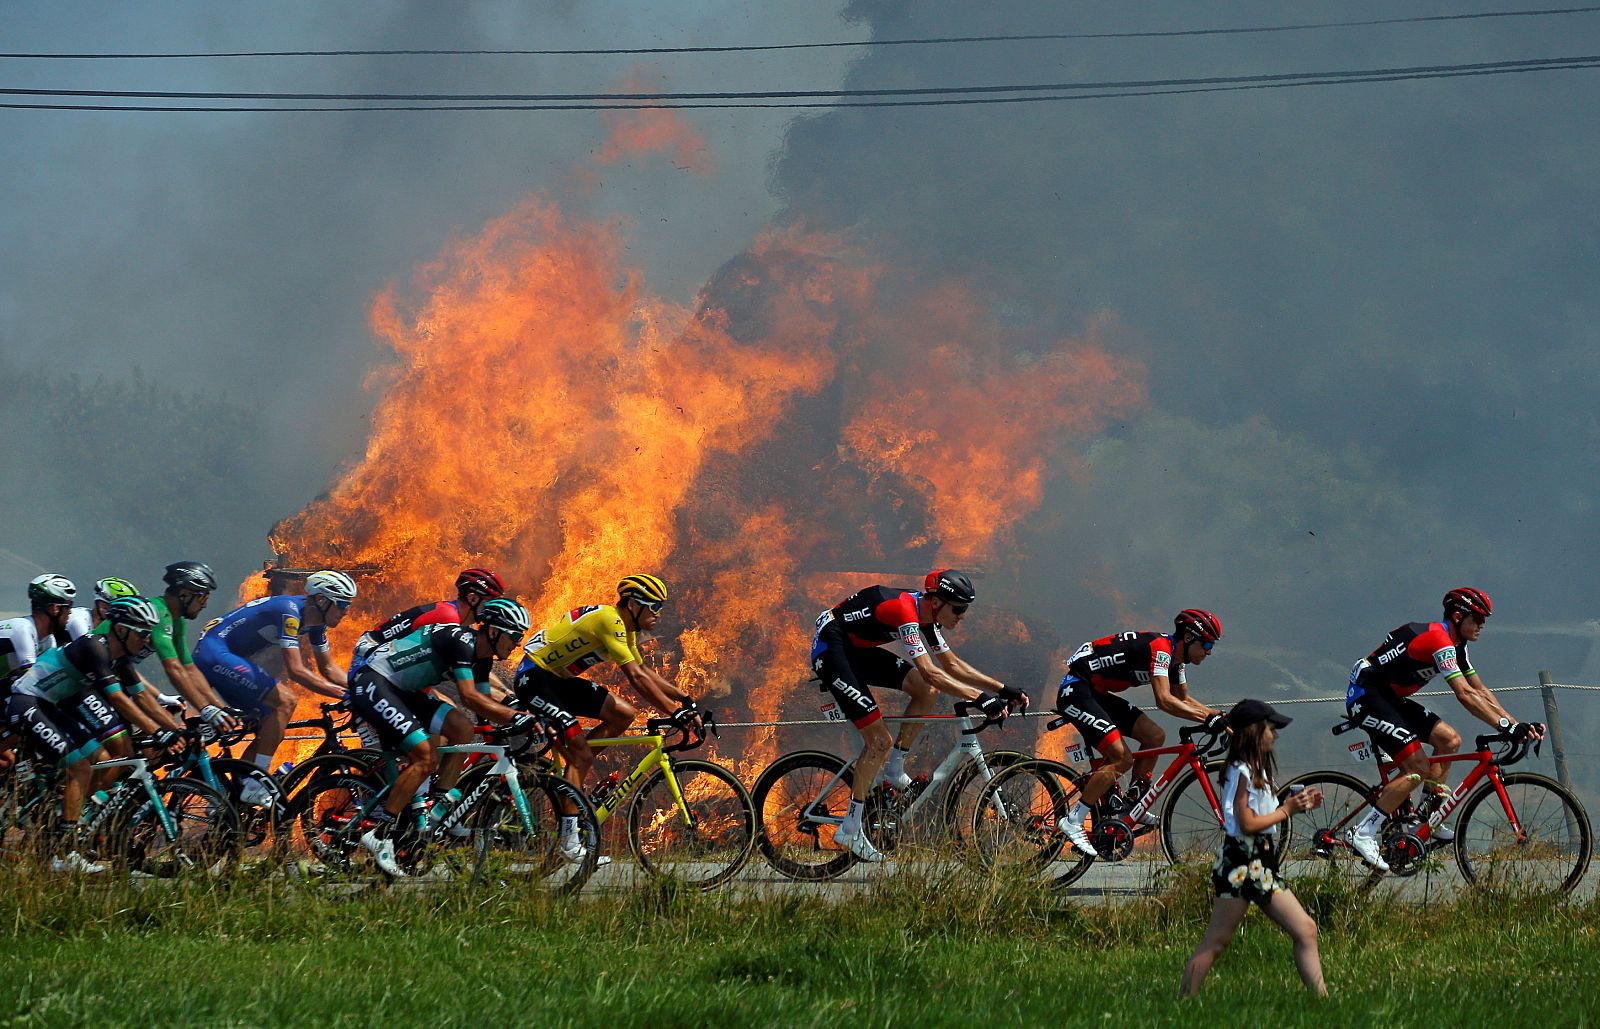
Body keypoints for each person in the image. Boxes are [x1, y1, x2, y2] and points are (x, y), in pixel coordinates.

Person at [807, 569, 1024, 862]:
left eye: (965, 609)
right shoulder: (905, 610)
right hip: (832, 648)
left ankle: (895, 768)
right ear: (936, 602)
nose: (962, 616)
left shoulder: (928, 616)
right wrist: (980, 698)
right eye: (958, 609)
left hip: (855, 649)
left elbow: (952, 665)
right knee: (878, 741)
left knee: (926, 692)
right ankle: (850, 828)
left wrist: (1002, 688)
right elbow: (931, 671)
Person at [1341, 587, 1542, 870]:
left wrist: (1515, 723)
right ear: (1458, 616)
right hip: (1367, 693)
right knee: (1417, 768)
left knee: (1449, 740)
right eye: (1478, 619)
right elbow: (1464, 694)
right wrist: (1506, 726)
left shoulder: (1458, 646)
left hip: (1389, 697)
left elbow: (1479, 689)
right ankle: (1362, 832)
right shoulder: (1439, 639)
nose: (1482, 625)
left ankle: (1424, 820)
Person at [512, 574, 705, 861]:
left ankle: (576, 767)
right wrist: (674, 713)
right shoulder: (610, 621)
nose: (658, 614)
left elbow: (646, 673)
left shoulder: (624, 628)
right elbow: (636, 678)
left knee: (624, 713)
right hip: (534, 677)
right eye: (652, 606)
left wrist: (684, 699)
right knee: (580, 758)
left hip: (558, 681)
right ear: (632, 605)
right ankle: (568, 841)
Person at [348, 598, 532, 877]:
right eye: (515, 636)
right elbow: (470, 698)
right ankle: (378, 832)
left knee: (463, 729)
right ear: (493, 632)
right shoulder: (462, 641)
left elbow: (483, 706)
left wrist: (512, 720)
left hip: (405, 692)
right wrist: (514, 717)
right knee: (425, 757)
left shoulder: (482, 658)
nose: (517, 643)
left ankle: (439, 807)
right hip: (374, 681)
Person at [5, 597, 181, 872]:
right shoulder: (93, 647)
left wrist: (175, 730)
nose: (147, 641)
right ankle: (64, 854)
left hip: (51, 704)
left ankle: (62, 819)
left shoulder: (119, 658)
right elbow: (121, 700)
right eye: (143, 633)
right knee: (80, 767)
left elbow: (143, 698)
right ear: (121, 630)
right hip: (27, 702)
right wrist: (157, 731)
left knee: (101, 758)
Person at [1180, 699, 1327, 998]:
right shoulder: (1241, 770)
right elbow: (1247, 822)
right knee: (1217, 940)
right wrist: (1287, 810)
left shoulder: (1253, 769)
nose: (1276, 734)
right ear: (1253, 732)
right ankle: (1184, 1002)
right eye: (1271, 728)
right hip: (1242, 863)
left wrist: (1299, 806)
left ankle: (1322, 1000)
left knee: (1306, 930)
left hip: (1258, 863)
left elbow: (1262, 815)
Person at [1054, 609, 1227, 857]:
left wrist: (1220, 717)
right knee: (1121, 758)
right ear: (1189, 637)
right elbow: (1165, 701)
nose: (1209, 651)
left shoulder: (1176, 662)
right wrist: (1207, 719)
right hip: (1077, 690)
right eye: (1207, 643)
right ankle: (1074, 819)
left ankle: (1133, 805)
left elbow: (1184, 699)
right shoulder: (1161, 648)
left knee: (1154, 736)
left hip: (1096, 694)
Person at [194, 570, 355, 795]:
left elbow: (328, 668)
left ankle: (237, 789)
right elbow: (296, 670)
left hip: (230, 656)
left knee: (270, 722)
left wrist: (359, 688)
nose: (346, 612)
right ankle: (258, 782)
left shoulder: (316, 623)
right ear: (321, 600)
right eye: (343, 605)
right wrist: (343, 695)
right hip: (214, 652)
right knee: (286, 701)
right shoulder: (289, 611)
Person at [348, 567, 506, 681]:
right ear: (472, 598)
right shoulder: (448, 616)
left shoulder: (461, 622)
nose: (494, 608)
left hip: (387, 656)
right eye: (490, 602)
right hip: (370, 651)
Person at [1, 574, 82, 687]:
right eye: (68, 606)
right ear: (55, 608)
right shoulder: (23, 628)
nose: (70, 612)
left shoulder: (49, 640)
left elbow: (52, 673)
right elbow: (31, 677)